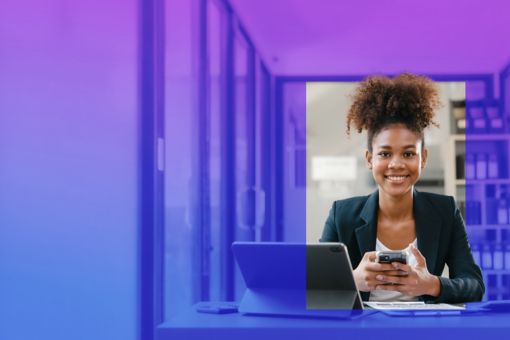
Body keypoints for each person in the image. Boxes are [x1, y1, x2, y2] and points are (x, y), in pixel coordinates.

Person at [320, 73, 484, 303]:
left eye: (408, 153)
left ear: (423, 158)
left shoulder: (445, 211)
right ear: (369, 159)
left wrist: (431, 284)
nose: (396, 164)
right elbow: (315, 286)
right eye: (385, 153)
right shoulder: (342, 214)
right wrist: (353, 279)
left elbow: (475, 285)